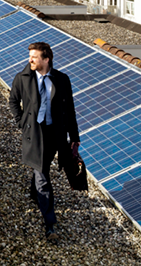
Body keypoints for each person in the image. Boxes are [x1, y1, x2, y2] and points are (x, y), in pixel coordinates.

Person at [8, 42, 84, 244]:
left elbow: (70, 111)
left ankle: (34, 193)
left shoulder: (61, 80)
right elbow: (13, 101)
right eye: (30, 56)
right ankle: (50, 223)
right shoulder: (22, 78)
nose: (30, 60)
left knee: (41, 168)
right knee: (42, 176)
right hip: (34, 134)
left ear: (46, 59)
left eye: (34, 57)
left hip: (55, 135)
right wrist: (22, 123)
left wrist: (74, 138)